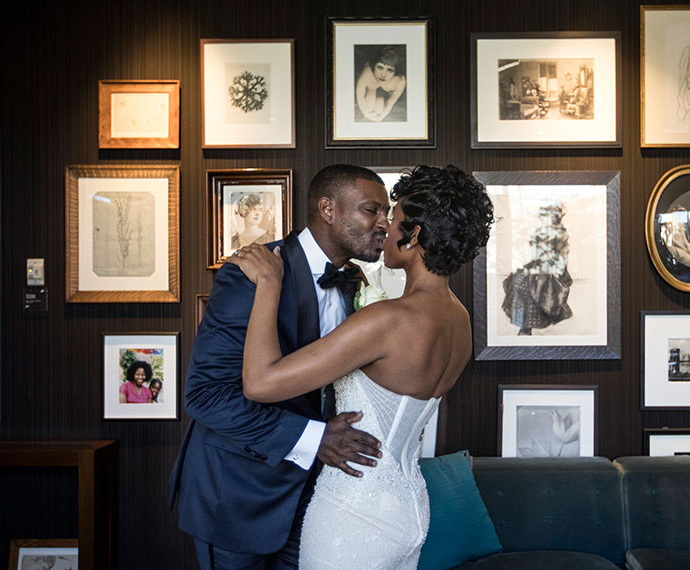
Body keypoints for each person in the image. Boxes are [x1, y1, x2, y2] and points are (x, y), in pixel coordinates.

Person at [226, 165, 493, 569]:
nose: (385, 226)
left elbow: (260, 383)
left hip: (355, 509)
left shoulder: (388, 320)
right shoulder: (459, 320)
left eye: (395, 216)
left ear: (415, 234)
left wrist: (269, 284)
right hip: (409, 507)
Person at [166, 165, 392, 570]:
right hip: (238, 493)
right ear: (328, 208)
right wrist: (315, 439)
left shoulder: (356, 282)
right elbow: (206, 396)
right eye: (371, 210)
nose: (384, 224)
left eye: (387, 214)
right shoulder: (252, 274)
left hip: (317, 496)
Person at [501, 203, 572, 335]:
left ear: (554, 218)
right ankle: (522, 323)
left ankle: (532, 323)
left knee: (533, 283)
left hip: (552, 270)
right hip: (538, 265)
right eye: (542, 217)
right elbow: (535, 252)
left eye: (547, 217)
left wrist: (548, 267)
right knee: (517, 279)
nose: (543, 219)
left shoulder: (560, 235)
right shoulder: (539, 232)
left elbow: (561, 259)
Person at [355, 46, 407, 122]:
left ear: (396, 72)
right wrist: (365, 113)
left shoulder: (399, 81)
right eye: (380, 67)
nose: (383, 75)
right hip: (371, 88)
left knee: (380, 104)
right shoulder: (366, 75)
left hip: (385, 95)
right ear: (374, 66)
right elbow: (360, 98)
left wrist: (381, 117)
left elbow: (390, 103)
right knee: (370, 101)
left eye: (390, 70)